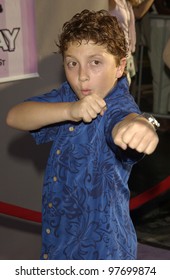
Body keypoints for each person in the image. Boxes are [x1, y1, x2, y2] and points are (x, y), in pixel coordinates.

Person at [6, 9, 159, 260]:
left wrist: (140, 126)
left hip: (102, 250)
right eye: (72, 63)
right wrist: (70, 110)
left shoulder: (117, 104)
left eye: (95, 62)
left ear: (120, 66)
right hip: (58, 240)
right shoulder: (68, 95)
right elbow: (15, 116)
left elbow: (123, 120)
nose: (82, 75)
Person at [109, 0, 155, 85]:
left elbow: (138, 13)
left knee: (124, 90)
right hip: (113, 55)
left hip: (126, 54)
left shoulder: (125, 2)